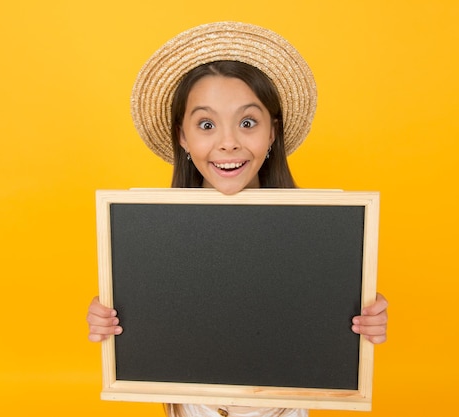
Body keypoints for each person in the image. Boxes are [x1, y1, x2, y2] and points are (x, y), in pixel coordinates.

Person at [87, 21, 388, 417]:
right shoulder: (152, 238)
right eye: (206, 124)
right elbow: (150, 323)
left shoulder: (317, 239)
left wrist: (362, 316)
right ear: (183, 136)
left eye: (247, 122)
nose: (228, 141)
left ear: (272, 133)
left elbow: (325, 325)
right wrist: (113, 316)